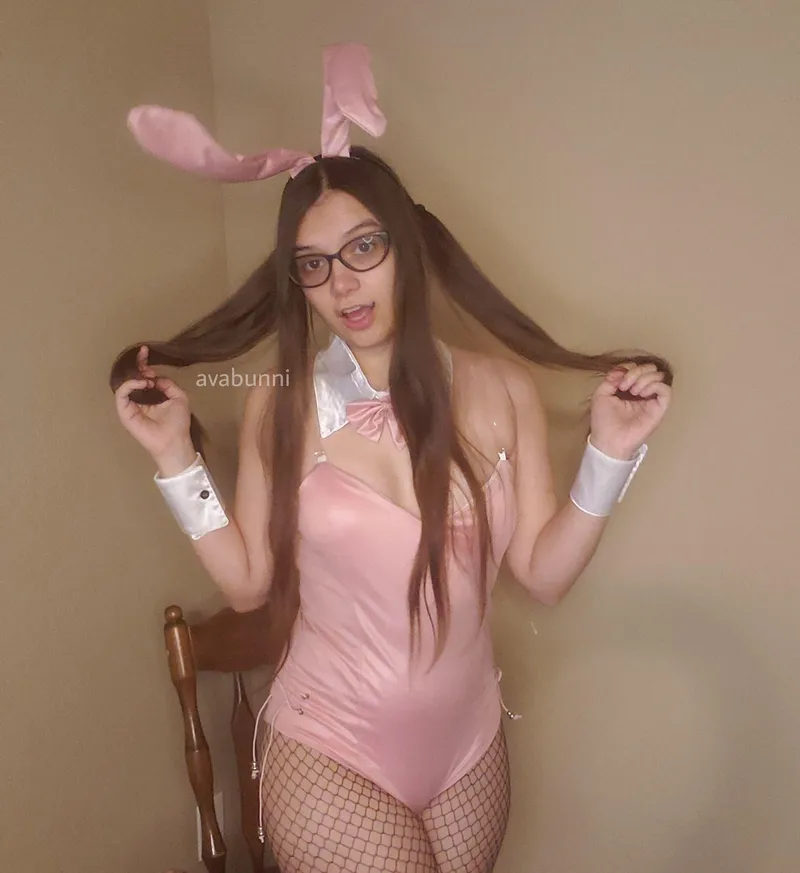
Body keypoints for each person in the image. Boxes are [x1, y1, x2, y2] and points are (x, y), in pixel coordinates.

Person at [111, 44, 672, 873]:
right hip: (329, 747)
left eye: (364, 248)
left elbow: (544, 576)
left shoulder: (504, 389)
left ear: (406, 244)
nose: (343, 284)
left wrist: (610, 453)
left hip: (469, 746)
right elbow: (249, 584)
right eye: (314, 265)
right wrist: (173, 458)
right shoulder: (280, 402)